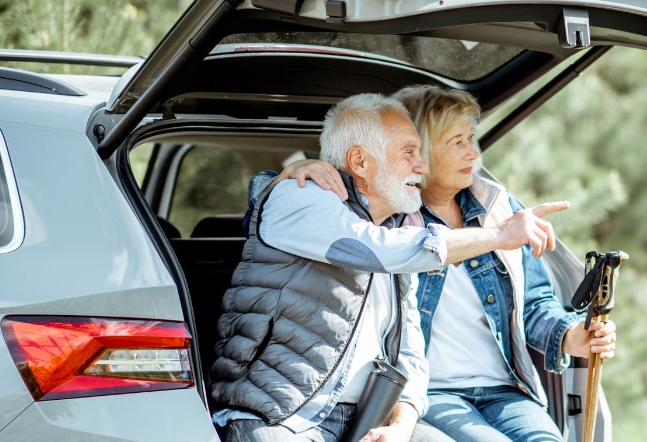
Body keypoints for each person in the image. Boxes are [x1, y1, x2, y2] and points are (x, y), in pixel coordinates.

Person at [209, 92, 569, 442]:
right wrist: (499, 235)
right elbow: (376, 249)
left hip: (366, 414)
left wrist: (403, 421)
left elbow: (410, 350)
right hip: (284, 415)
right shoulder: (301, 197)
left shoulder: (398, 226)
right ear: (360, 161)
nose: (422, 166)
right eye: (408, 152)